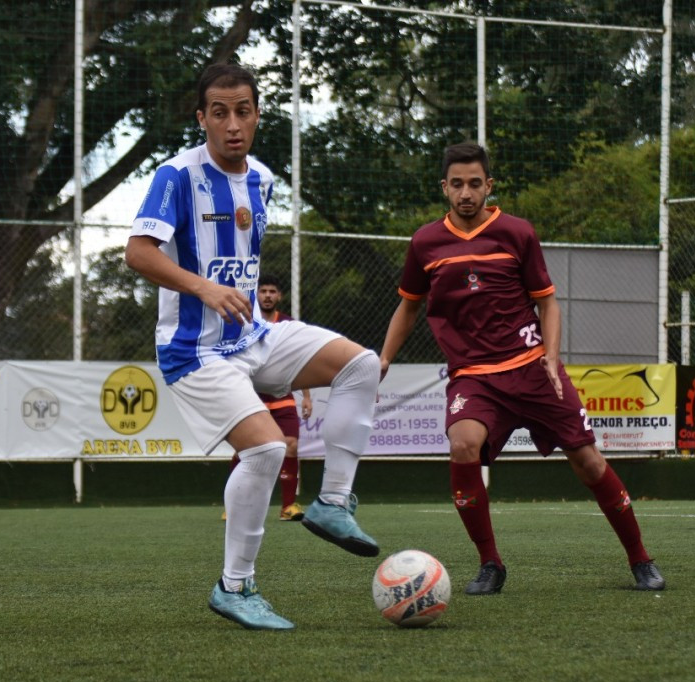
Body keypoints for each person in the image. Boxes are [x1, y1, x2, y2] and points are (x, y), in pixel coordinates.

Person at [126, 63, 381, 631]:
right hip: (194, 352)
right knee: (266, 451)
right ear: (202, 118)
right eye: (219, 112)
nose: (232, 123)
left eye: (243, 111)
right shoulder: (175, 175)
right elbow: (138, 252)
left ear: (257, 115)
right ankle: (234, 586)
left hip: (255, 338)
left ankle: (333, 502)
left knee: (362, 366)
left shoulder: (262, 179)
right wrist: (203, 287)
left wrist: (239, 303)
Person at [379, 142, 665, 596]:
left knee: (588, 463)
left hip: (533, 369)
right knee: (462, 445)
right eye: (457, 184)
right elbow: (408, 308)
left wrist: (551, 355)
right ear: (444, 189)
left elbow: (546, 302)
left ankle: (641, 560)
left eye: (475, 183)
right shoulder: (425, 243)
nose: (467, 193)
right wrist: (384, 358)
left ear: (489, 186)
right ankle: (490, 564)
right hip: (474, 378)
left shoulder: (517, 233)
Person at [224, 275, 311, 522]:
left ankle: (288, 506)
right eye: (263, 291)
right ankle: (233, 507)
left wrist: (306, 396)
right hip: (251, 395)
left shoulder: (287, 324)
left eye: (272, 291)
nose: (268, 295)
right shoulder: (244, 320)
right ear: (256, 295)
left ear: (279, 296)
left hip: (282, 394)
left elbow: (299, 359)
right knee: (244, 449)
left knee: (291, 445)